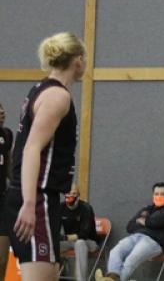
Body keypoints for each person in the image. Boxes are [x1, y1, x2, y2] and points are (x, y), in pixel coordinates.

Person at [5, 32, 86, 281]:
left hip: (38, 195)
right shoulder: (57, 96)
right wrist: (30, 204)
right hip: (37, 197)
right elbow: (31, 148)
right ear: (78, 61)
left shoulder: (41, 88)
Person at [95, 182, 164, 281]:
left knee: (130, 260)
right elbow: (129, 226)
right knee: (115, 252)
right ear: (153, 195)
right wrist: (146, 223)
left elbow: (154, 222)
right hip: (135, 237)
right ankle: (112, 278)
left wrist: (143, 221)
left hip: (153, 242)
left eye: (162, 194)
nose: (159, 196)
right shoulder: (146, 209)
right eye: (156, 194)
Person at [60, 183, 99, 281]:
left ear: (78, 195)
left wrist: (65, 237)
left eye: (73, 194)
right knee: (50, 245)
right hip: (69, 242)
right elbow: (54, 226)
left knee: (80, 243)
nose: (70, 196)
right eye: (68, 193)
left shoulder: (86, 208)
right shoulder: (61, 207)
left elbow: (84, 234)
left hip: (89, 242)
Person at [0, 104, 13, 279]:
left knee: (2, 258)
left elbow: (9, 166)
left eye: (2, 108)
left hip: (3, 199)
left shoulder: (7, 134)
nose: (2, 111)